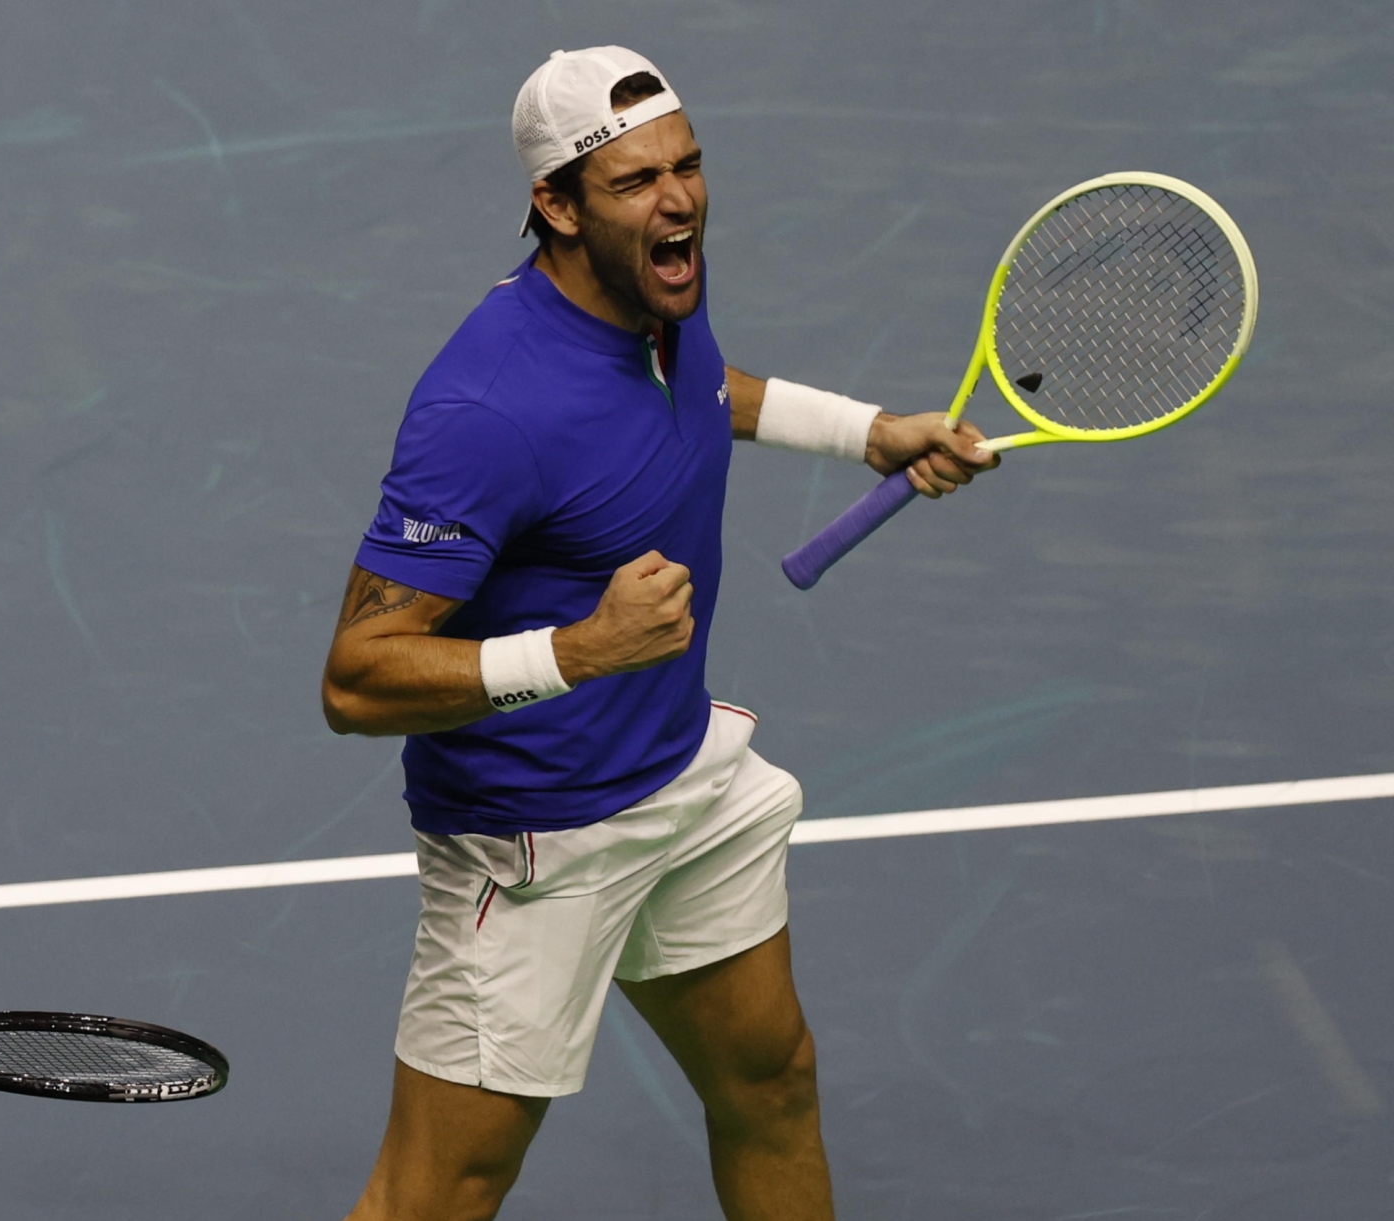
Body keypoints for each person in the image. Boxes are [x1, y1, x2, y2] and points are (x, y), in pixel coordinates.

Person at [320, 47, 997, 1220]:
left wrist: (868, 432)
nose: (677, 199)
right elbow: (356, 680)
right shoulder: (485, 411)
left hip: (679, 781)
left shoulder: (652, 299)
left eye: (687, 167)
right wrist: (577, 652)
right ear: (557, 205)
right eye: (635, 182)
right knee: (437, 1195)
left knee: (772, 1082)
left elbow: (692, 386)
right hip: (533, 845)